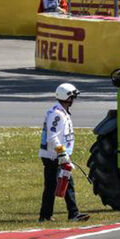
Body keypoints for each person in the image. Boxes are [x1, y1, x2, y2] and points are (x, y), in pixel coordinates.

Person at [39, 83, 89, 223]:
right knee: (55, 185)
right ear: (67, 97)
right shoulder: (57, 114)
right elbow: (52, 136)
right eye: (72, 97)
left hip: (59, 155)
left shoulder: (62, 112)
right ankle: (57, 215)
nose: (74, 99)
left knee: (64, 184)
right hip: (54, 156)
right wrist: (61, 153)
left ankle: (64, 214)